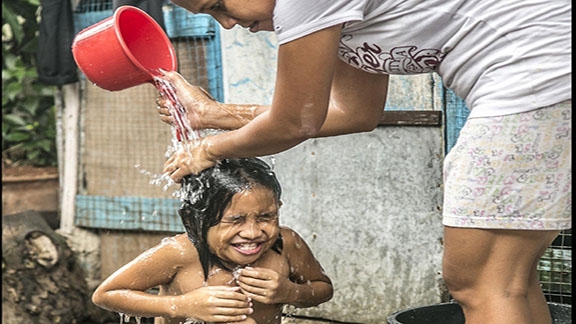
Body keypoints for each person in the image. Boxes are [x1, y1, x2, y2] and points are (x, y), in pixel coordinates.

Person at [156, 1, 571, 323]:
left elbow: (294, 122)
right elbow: (352, 112)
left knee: (480, 282)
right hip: (546, 87)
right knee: (507, 279)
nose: (226, 24)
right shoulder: (336, 19)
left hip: (538, 79)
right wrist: (210, 114)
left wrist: (209, 149)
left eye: (218, 5)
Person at [92, 158, 333, 324]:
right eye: (235, 220)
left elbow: (322, 288)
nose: (252, 232)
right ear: (199, 220)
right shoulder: (179, 253)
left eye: (266, 217)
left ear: (278, 208)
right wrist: (183, 305)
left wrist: (291, 292)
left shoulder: (286, 243)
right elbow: (107, 294)